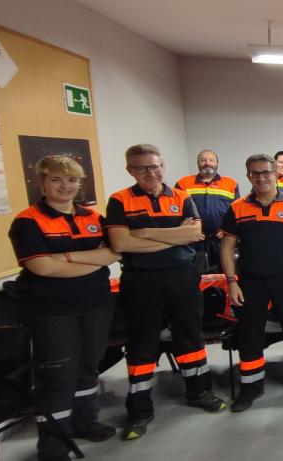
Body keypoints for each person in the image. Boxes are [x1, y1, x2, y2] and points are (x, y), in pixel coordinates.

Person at [106, 144, 226, 441]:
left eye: (156, 166)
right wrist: (173, 236)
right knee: (142, 342)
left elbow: (193, 233)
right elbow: (120, 243)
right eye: (142, 168)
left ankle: (199, 392)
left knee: (190, 335)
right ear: (130, 170)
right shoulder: (119, 200)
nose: (151, 172)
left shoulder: (182, 197)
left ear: (164, 166)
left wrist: (143, 233)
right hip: (140, 280)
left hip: (181, 276)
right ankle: (139, 409)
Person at [8, 155, 120, 460]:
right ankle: (54, 444)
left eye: (72, 180)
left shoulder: (93, 217)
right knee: (58, 376)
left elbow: (112, 254)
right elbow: (42, 268)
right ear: (42, 182)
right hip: (51, 310)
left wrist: (66, 258)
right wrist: (88, 259)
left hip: (95, 303)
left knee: (88, 367)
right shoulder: (28, 221)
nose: (65, 186)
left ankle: (86, 422)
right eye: (56, 179)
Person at [220, 154, 283, 411]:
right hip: (250, 281)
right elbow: (227, 248)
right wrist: (231, 282)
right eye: (254, 173)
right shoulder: (237, 207)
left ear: (276, 174)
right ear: (248, 175)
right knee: (250, 336)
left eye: (266, 172)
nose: (261, 177)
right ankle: (251, 387)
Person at [174, 149, 240, 272]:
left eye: (211, 160)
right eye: (203, 160)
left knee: (224, 274)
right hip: (194, 240)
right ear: (197, 163)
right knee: (196, 275)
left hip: (221, 239)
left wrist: (227, 229)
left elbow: (236, 211)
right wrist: (188, 229)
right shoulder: (183, 183)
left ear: (217, 163)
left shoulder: (231, 183)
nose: (207, 163)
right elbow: (177, 211)